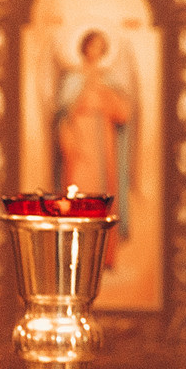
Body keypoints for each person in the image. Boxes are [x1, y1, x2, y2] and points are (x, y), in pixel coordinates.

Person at [53, 27, 133, 259]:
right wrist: (84, 100)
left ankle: (104, 256)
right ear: (84, 48)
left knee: (104, 192)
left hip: (103, 143)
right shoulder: (72, 78)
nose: (95, 51)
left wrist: (105, 99)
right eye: (91, 46)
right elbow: (62, 113)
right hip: (79, 141)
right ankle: (75, 255)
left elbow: (123, 114)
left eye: (100, 47)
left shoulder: (109, 80)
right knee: (79, 191)